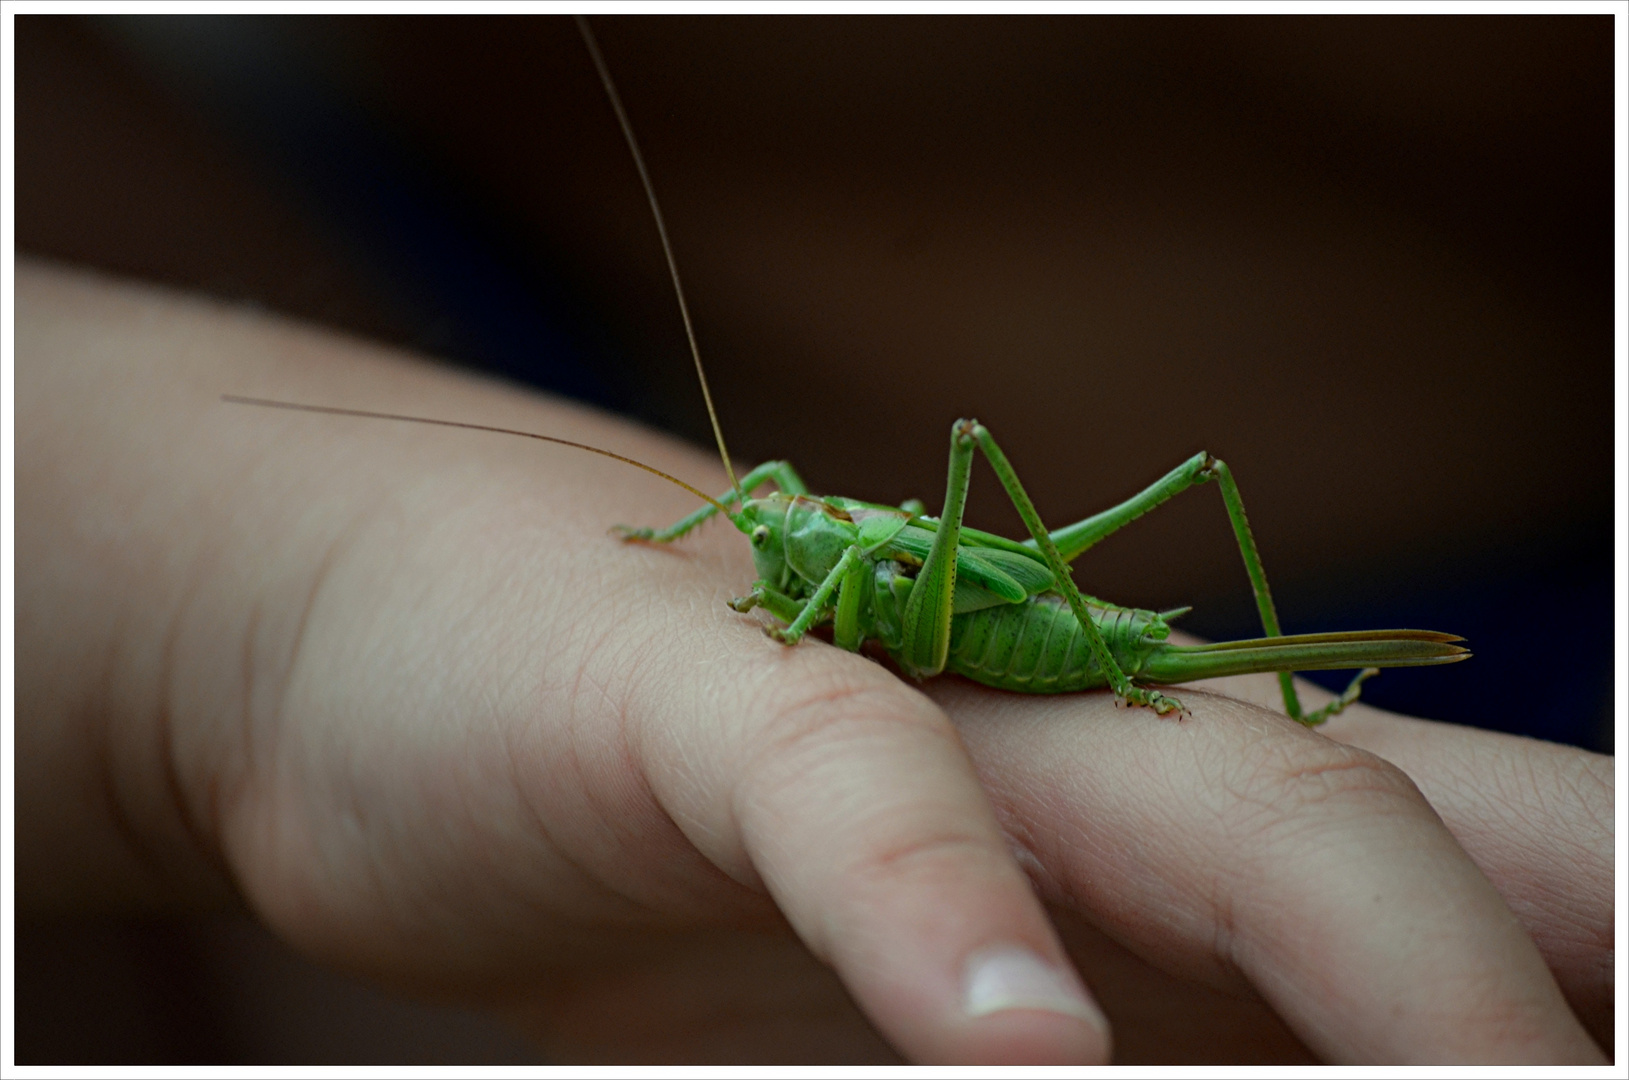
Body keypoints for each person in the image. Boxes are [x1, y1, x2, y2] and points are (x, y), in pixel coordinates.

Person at [14, 260, 1612, 1064]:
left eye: (762, 552)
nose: (762, 552)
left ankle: (1251, 677)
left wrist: (842, 609)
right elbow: (767, 506)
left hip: (1028, 618)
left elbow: (834, 548)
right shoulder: (768, 512)